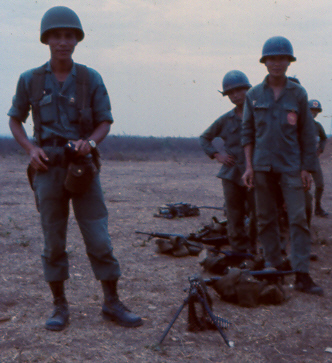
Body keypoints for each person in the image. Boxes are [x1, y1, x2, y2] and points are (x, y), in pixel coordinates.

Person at [8, 6, 143, 331]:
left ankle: (111, 302)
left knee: (98, 237)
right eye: (56, 36)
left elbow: (104, 121)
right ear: (46, 39)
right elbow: (15, 120)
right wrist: (31, 148)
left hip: (82, 168)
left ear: (77, 40)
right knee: (53, 240)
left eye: (69, 36)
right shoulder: (30, 79)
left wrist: (90, 144)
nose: (63, 42)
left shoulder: (89, 78)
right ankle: (59, 306)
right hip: (47, 169)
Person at [241, 36, 323, 295]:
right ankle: (272, 266)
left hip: (291, 165)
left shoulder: (298, 94)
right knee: (265, 216)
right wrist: (248, 167)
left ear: (289, 62)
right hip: (261, 166)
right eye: (272, 59)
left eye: (282, 58)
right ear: (264, 62)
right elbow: (247, 133)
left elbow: (307, 134)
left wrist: (306, 168)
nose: (277, 63)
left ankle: (301, 274)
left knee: (298, 217)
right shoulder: (254, 94)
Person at [200, 70, 257, 255]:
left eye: (239, 90)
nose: (235, 95)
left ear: (248, 90)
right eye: (230, 93)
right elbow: (204, 138)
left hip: (256, 173)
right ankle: (239, 251)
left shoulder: (260, 115)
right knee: (234, 214)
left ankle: (256, 250)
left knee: (259, 214)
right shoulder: (225, 120)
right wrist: (217, 155)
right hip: (232, 174)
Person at [308, 99, 328, 217]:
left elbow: (324, 138)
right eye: (311, 110)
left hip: (313, 160)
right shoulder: (301, 124)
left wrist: (320, 149)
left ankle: (318, 207)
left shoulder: (317, 126)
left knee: (320, 185)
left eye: (316, 111)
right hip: (300, 161)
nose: (313, 113)